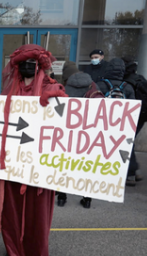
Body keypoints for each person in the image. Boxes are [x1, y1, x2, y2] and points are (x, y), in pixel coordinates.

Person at [0, 44, 67, 256]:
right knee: (12, 208)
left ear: (40, 66)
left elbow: (67, 118)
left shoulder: (50, 86)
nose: (27, 67)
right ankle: (14, 249)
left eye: (31, 63)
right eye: (22, 63)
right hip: (15, 161)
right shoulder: (11, 90)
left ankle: (35, 252)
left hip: (40, 163)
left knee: (37, 210)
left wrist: (57, 98)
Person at [56, 61, 104, 208]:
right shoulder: (93, 85)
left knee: (65, 164)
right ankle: (87, 198)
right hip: (89, 134)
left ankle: (62, 197)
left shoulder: (64, 88)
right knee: (86, 167)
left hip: (68, 133)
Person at [95, 58, 137, 185]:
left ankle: (101, 173)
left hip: (103, 122)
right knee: (122, 147)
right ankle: (126, 174)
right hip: (121, 124)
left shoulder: (100, 85)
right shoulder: (128, 87)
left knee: (102, 147)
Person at [122, 56, 147, 185]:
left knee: (127, 142)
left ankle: (132, 173)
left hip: (134, 116)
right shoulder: (140, 78)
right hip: (143, 115)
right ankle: (133, 172)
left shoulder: (127, 82)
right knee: (129, 141)